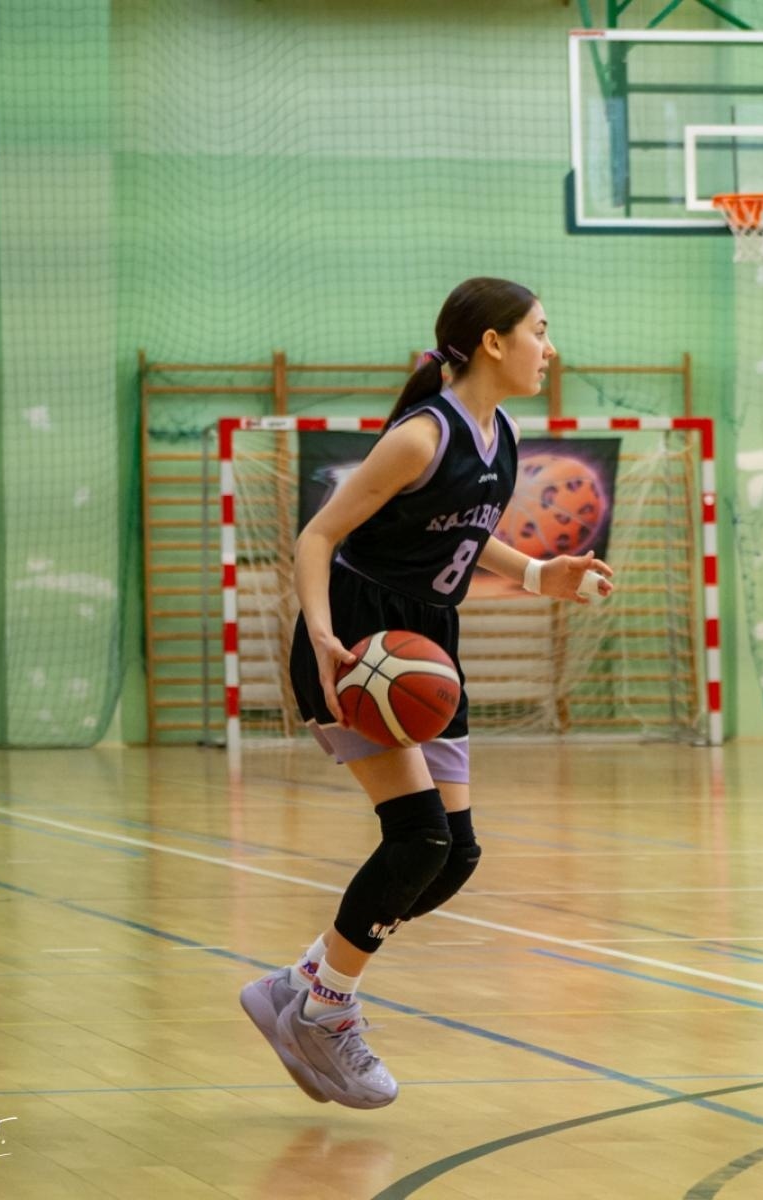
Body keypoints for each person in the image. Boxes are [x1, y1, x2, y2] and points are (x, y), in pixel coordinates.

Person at [239, 277, 613, 1108]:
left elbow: (472, 541)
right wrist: (327, 639)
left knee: (454, 857)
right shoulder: (420, 435)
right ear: (492, 341)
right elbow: (317, 535)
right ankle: (326, 1010)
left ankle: (297, 986)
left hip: (427, 640)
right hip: (362, 638)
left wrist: (542, 572)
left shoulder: (501, 432)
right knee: (417, 842)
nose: (549, 349)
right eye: (540, 332)